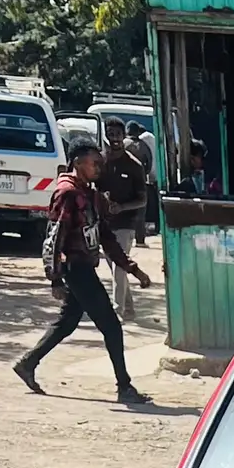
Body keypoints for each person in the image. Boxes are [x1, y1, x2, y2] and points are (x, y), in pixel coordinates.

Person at [13, 136, 152, 407]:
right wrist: (53, 277)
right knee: (111, 326)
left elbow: (106, 237)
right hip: (76, 268)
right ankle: (124, 387)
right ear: (78, 163)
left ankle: (28, 363)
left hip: (84, 265)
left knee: (67, 323)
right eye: (94, 163)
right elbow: (54, 237)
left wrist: (132, 269)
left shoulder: (89, 194)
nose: (99, 167)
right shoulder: (68, 194)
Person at [100, 119, 147, 320]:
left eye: (118, 134)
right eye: (110, 134)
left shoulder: (134, 166)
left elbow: (142, 200)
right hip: (104, 225)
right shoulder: (100, 163)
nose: (115, 139)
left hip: (126, 225)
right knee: (116, 267)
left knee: (120, 267)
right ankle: (129, 309)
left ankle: (116, 311)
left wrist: (122, 207)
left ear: (123, 136)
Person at [124, 120, 155, 243]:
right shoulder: (144, 146)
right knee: (140, 210)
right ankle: (140, 239)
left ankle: (125, 237)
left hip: (124, 181)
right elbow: (149, 163)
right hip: (141, 181)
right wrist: (143, 174)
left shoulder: (123, 144)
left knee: (125, 210)